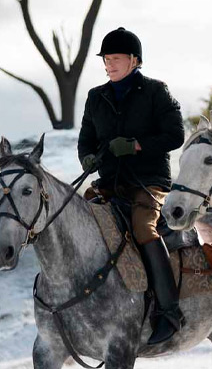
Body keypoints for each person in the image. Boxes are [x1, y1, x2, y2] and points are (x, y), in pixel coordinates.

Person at [78, 27, 186, 345]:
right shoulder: (95, 97)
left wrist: (138, 145)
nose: (108, 64)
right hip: (110, 183)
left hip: (149, 183)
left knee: (142, 226)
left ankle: (169, 311)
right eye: (106, 59)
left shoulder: (156, 92)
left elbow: (175, 135)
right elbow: (85, 140)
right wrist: (88, 159)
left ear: (134, 60)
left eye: (115, 59)